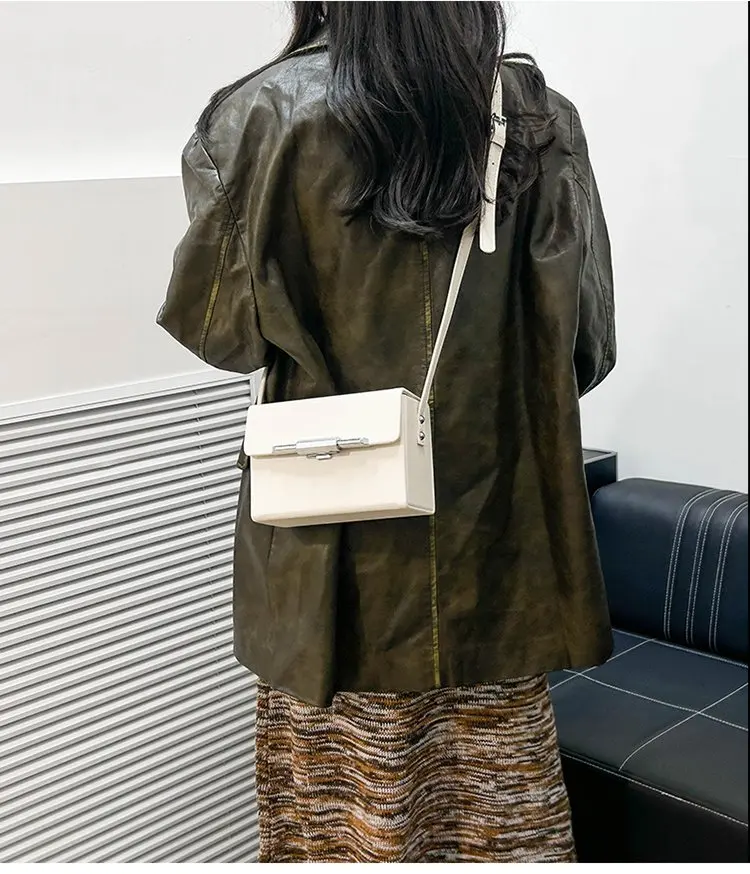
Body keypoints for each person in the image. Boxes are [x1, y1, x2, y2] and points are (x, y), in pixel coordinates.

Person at [157, 0, 616, 863]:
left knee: (342, 823)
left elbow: (223, 337)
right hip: (497, 567)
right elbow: (586, 348)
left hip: (329, 574)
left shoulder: (258, 114)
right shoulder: (539, 119)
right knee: (494, 822)